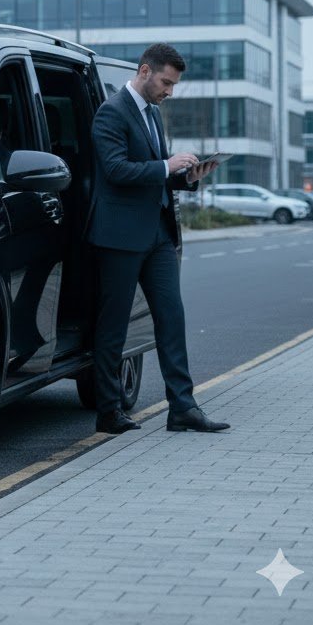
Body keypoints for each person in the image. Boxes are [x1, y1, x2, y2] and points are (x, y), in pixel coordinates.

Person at [87, 43, 229, 435]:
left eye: (174, 84)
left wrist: (188, 177)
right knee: (114, 325)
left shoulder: (152, 113)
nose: (170, 91)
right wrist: (166, 165)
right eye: (167, 82)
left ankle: (183, 407)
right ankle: (108, 412)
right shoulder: (111, 112)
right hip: (119, 236)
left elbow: (155, 175)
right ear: (145, 71)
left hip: (159, 234)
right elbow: (116, 170)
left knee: (171, 317)